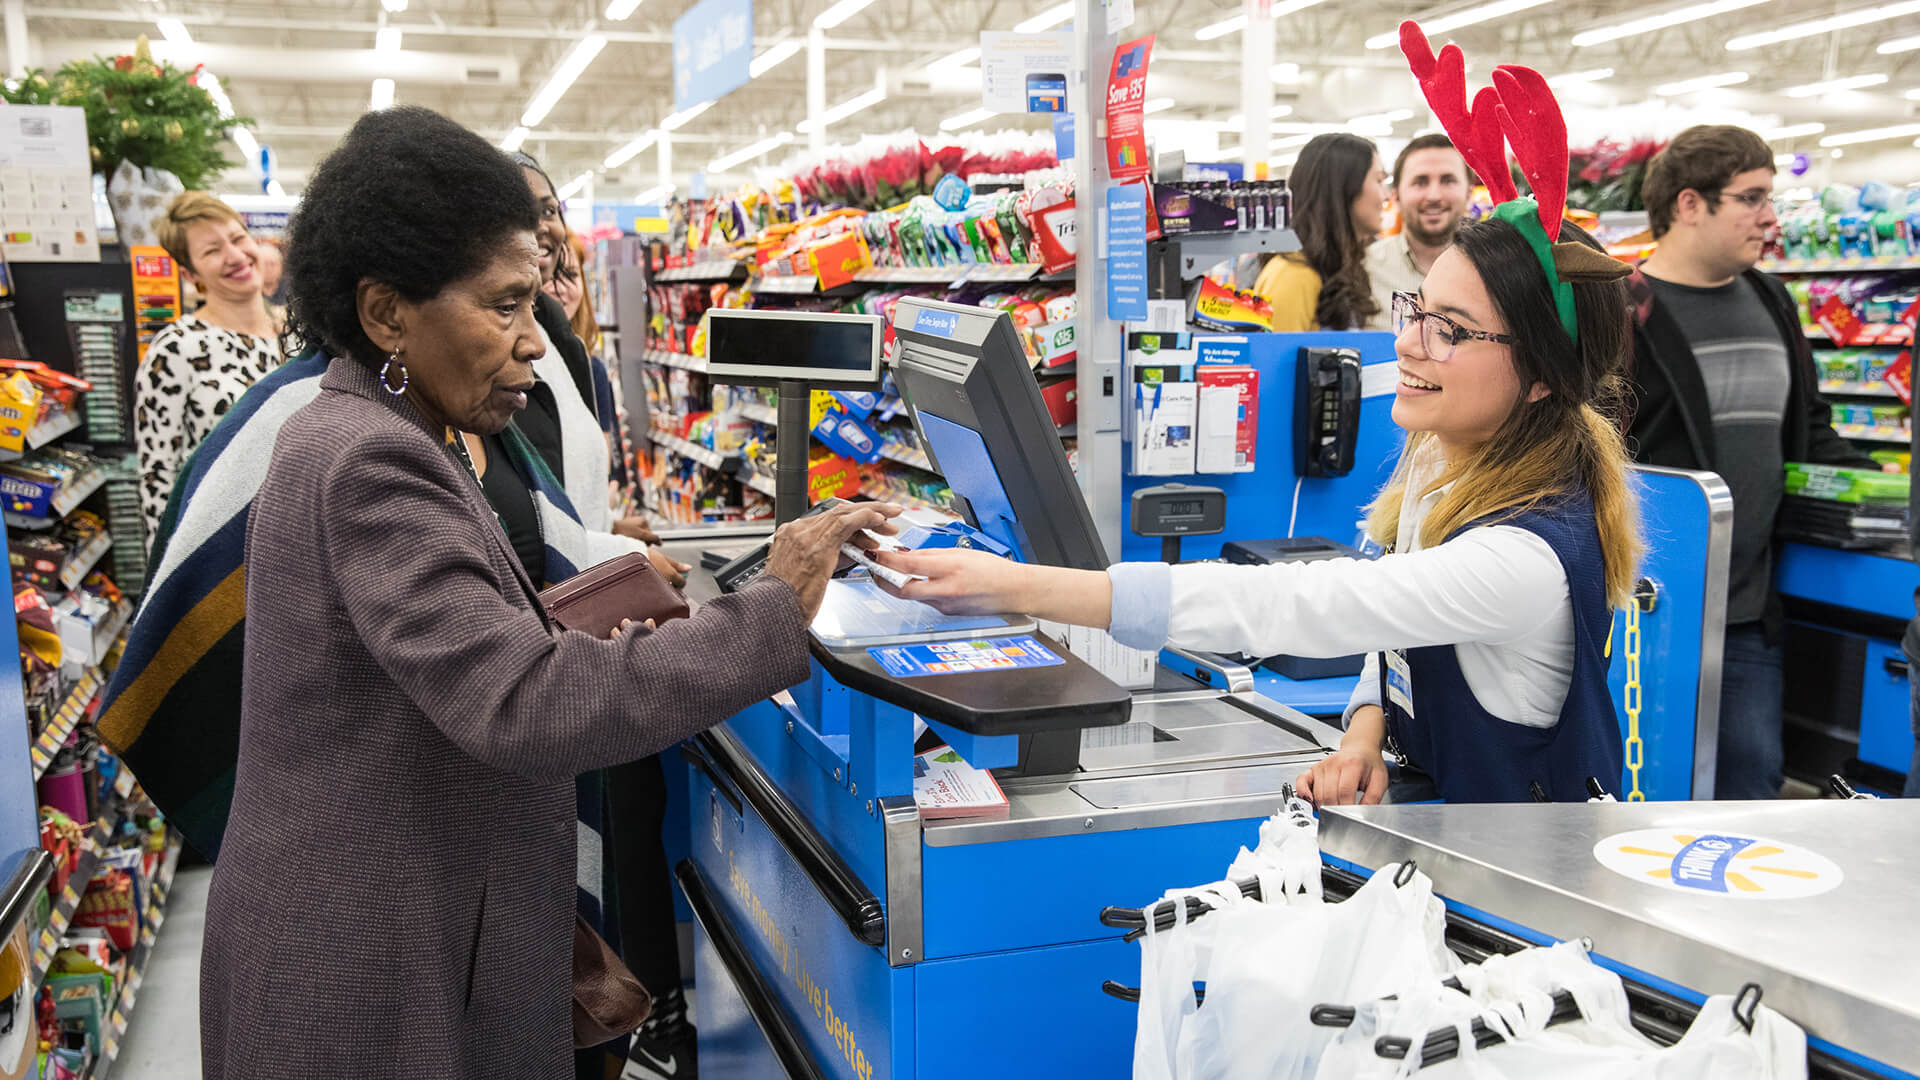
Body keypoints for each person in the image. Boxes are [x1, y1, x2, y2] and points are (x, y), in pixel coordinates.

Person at [197, 106, 899, 1078]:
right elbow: (521, 699)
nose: (535, 341)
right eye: (503, 305)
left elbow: (455, 653)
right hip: (369, 974)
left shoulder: (387, 435)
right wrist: (767, 611)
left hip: (413, 924)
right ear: (386, 312)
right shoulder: (366, 462)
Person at [877, 211, 1639, 806]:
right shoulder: (1448, 466)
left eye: (1450, 331)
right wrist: (1366, 734)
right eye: (1418, 309)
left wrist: (1014, 585)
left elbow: (1308, 604)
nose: (1408, 343)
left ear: (1540, 376)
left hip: (1525, 901)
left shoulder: (1524, 556)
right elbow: (1393, 633)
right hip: (1451, 841)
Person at [1626, 125, 1882, 800]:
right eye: (1752, 198)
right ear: (1688, 204)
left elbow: (1812, 431)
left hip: (1746, 617)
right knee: (1640, 795)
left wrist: (1885, 495)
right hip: (1644, 614)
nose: (1770, 217)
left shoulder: (1774, 301)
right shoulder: (1624, 311)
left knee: (1751, 796)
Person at [138, 192, 284, 550]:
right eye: (212, 250)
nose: (235, 256)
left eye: (237, 239)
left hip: (300, 542)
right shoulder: (177, 347)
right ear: (190, 273)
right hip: (220, 555)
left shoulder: (298, 335)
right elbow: (157, 478)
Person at [1252, 133, 1386, 332]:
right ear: (1345, 187)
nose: (1387, 195)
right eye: (1379, 180)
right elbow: (1273, 360)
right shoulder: (1293, 276)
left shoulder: (1336, 270)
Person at [1369, 134, 1472, 322]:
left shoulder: (1493, 273)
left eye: (1448, 180)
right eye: (1420, 182)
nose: (1433, 196)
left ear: (1468, 193)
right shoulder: (1363, 271)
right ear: (1396, 195)